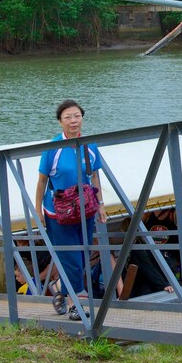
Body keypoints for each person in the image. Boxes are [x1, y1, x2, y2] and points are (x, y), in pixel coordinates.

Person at [35, 99, 106, 320]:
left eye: (77, 116)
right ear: (60, 122)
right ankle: (77, 304)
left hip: (85, 211)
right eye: (68, 117)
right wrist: (37, 210)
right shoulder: (53, 148)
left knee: (83, 255)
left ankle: (60, 289)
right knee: (71, 258)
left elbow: (94, 176)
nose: (73, 121)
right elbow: (42, 181)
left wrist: (101, 205)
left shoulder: (89, 145)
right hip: (58, 212)